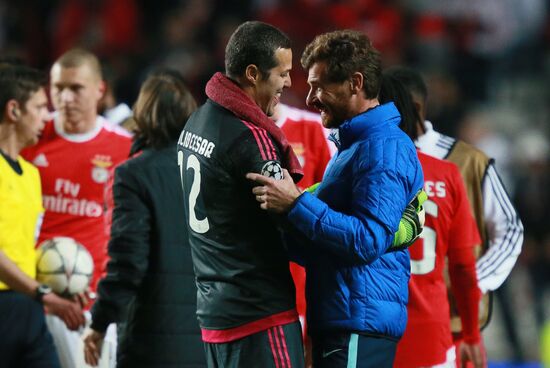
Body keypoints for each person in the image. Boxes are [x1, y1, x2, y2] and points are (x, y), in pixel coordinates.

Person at [247, 30, 424, 368]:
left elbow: (367, 239)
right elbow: (327, 245)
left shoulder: (382, 147)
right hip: (345, 319)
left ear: (355, 82)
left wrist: (296, 204)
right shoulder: (354, 148)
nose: (311, 98)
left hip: (359, 322)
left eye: (320, 85)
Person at [176, 21, 306, 367]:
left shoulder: (196, 122)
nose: (289, 83)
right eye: (282, 73)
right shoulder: (252, 138)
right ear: (252, 73)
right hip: (260, 316)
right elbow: (293, 220)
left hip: (215, 316)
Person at [387, 66, 524, 363]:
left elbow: (511, 230)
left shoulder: (470, 163)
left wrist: (478, 280)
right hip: (412, 320)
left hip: (451, 321)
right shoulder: (450, 167)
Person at [82, 70, 205, 367]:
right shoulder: (214, 173)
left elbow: (128, 263)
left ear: (143, 115)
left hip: (152, 342)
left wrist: (99, 323)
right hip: (209, 341)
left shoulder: (133, 174)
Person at [21, 48, 132, 368]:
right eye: (58, 88)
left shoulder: (123, 146)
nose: (65, 97)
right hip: (33, 295)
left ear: (99, 90)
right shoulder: (32, 136)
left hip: (90, 301)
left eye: (76, 88)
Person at [379, 73, 485, 367]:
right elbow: (464, 267)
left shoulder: (356, 169)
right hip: (431, 338)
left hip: (373, 335)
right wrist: (472, 336)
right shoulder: (447, 174)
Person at [0, 65, 84, 368]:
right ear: (14, 110)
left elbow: (23, 247)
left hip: (31, 309)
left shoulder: (32, 175)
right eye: (38, 107)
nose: (45, 116)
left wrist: (65, 284)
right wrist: (45, 294)